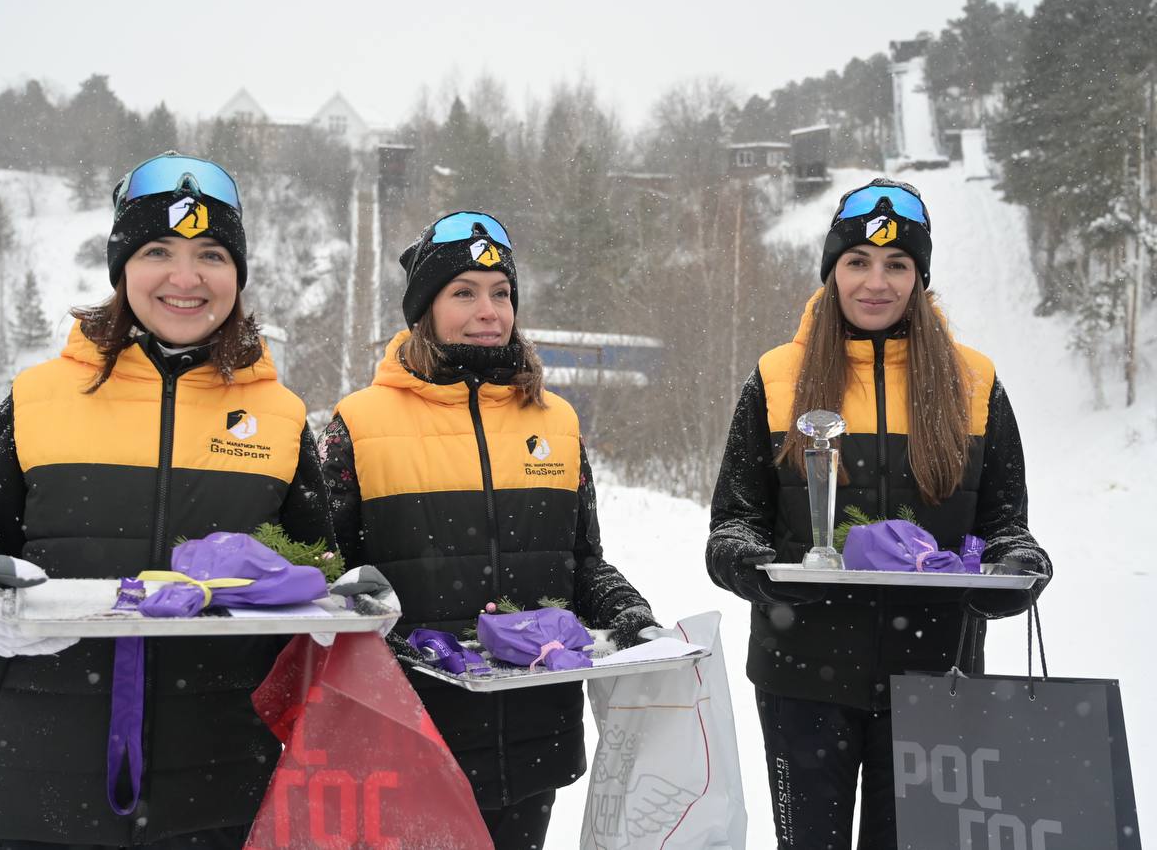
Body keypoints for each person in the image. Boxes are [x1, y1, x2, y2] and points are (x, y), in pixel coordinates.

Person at [0, 152, 334, 849]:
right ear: (121, 267)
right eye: (158, 249)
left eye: (212, 254)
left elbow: (327, 585)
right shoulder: (39, 400)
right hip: (32, 801)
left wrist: (342, 610)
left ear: (239, 274)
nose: (186, 277)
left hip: (217, 802)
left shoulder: (282, 418)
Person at [705, 178, 1052, 849]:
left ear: (921, 277)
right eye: (857, 261)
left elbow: (1006, 524)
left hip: (936, 683)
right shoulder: (778, 377)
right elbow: (734, 522)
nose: (877, 281)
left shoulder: (974, 382)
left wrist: (1018, 566)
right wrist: (751, 565)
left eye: (898, 265)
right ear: (832, 270)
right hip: (802, 677)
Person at [320, 210, 660, 849]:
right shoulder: (358, 424)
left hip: (532, 738)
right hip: (413, 735)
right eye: (464, 293)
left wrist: (632, 617)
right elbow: (331, 581)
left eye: (500, 293)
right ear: (424, 308)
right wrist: (390, 654)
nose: (488, 311)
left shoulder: (556, 421)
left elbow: (582, 563)